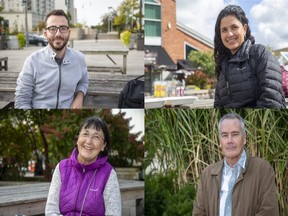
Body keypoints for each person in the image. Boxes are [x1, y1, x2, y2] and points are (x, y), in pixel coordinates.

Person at [192, 113, 279, 216]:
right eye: (225, 135)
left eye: (235, 134)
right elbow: (198, 213)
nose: (229, 141)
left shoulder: (262, 169)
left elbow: (269, 211)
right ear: (220, 141)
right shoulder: (207, 175)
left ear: (244, 138)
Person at [45, 116, 121, 215]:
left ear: (103, 145)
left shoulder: (108, 173)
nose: (88, 141)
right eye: (85, 134)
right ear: (78, 139)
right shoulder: (62, 168)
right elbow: (51, 211)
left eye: (96, 137)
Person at [213, 5, 286, 108]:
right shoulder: (223, 66)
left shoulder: (260, 54)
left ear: (244, 29)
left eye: (234, 27)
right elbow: (218, 105)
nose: (229, 34)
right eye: (224, 30)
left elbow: (271, 101)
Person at [15, 9, 89, 109]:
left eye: (63, 28)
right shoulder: (32, 62)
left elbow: (84, 81)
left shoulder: (79, 58)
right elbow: (22, 101)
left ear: (69, 32)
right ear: (45, 34)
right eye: (53, 28)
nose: (58, 34)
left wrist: (79, 96)